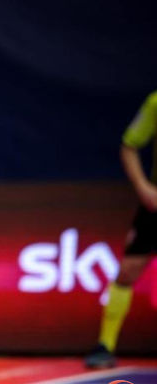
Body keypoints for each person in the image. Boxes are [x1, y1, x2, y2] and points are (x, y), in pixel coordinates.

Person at [85, 90, 157, 369]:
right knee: (128, 270)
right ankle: (105, 345)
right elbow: (129, 146)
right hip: (155, 206)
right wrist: (143, 187)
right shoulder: (155, 102)